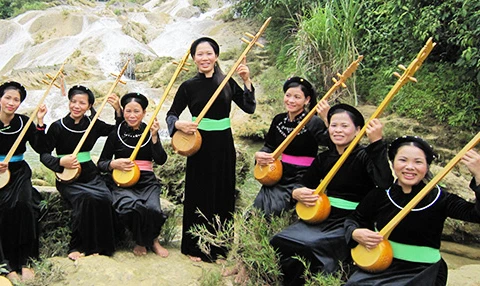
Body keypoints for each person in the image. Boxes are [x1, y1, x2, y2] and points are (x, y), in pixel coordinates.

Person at [269, 104, 394, 285]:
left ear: (358, 130)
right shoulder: (324, 158)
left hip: (352, 220)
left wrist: (377, 144)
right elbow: (303, 182)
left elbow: (385, 183)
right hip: (325, 215)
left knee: (313, 246)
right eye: (333, 126)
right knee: (282, 239)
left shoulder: (365, 156)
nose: (338, 130)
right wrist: (297, 192)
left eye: (345, 126)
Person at [344, 136, 480, 286]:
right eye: (403, 160)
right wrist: (355, 233)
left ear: (427, 167)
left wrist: (479, 177)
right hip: (380, 263)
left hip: (422, 271)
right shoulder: (381, 193)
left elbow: (476, 214)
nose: (409, 167)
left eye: (418, 162)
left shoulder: (440, 198)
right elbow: (355, 219)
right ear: (393, 163)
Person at [166, 37, 255, 262]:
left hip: (223, 144)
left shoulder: (227, 82)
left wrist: (246, 80)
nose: (204, 58)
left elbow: (249, 107)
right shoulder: (188, 86)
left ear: (216, 56)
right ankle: (194, 247)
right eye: (199, 54)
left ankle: (220, 247)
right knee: (199, 191)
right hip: (198, 144)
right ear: (193, 57)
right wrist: (178, 124)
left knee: (223, 192)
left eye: (208, 53)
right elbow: (171, 114)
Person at [40, 85, 121, 261]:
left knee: (105, 198)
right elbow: (44, 154)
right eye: (73, 101)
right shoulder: (57, 127)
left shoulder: (94, 125)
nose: (76, 106)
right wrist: (59, 162)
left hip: (90, 174)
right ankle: (77, 246)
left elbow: (117, 132)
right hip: (67, 176)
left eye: (82, 103)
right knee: (84, 200)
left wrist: (117, 111)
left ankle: (104, 246)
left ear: (89, 105)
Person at [98, 92, 169, 257]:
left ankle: (153, 240)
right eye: (128, 111)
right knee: (132, 206)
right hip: (123, 181)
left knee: (153, 209)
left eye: (136, 111)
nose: (132, 115)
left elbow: (161, 160)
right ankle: (141, 240)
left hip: (146, 180)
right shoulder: (116, 133)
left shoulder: (150, 131)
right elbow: (101, 163)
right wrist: (113, 164)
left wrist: (154, 137)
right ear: (123, 112)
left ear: (144, 113)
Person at [253, 76, 330, 217]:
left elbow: (330, 144)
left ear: (306, 100)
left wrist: (326, 119)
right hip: (279, 173)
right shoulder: (278, 120)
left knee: (278, 210)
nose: (291, 100)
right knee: (258, 207)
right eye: (288, 95)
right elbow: (269, 145)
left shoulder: (313, 122)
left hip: (304, 175)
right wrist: (260, 155)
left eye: (297, 97)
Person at [0, 81, 47, 282]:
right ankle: (5, 265)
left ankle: (26, 261)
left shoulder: (23, 123)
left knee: (25, 205)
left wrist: (40, 122)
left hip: (19, 173)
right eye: (7, 97)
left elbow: (41, 147)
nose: (11, 103)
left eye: (16, 99)